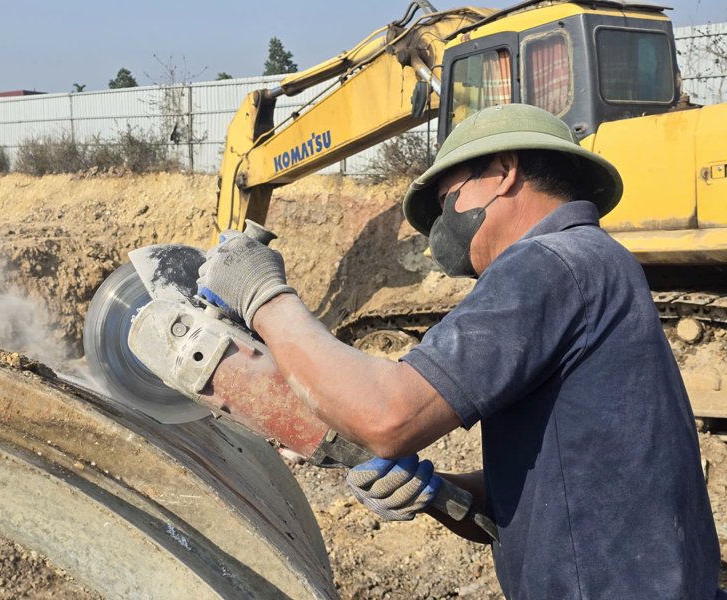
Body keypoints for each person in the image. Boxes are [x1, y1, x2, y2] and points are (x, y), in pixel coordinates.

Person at [196, 104, 721, 598]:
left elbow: (387, 414)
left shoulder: (548, 261)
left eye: (448, 202)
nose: (441, 229)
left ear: (505, 170)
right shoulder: (595, 262)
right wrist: (436, 491)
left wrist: (261, 293)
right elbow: (558, 487)